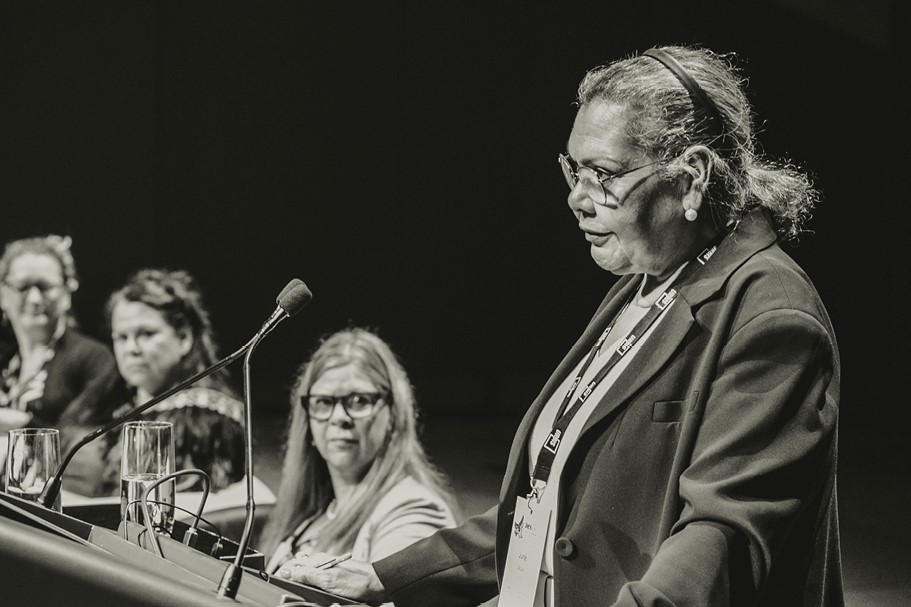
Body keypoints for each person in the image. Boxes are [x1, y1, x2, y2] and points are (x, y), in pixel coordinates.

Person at [281, 45, 842, 607]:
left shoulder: (771, 315)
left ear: (691, 178)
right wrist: (383, 578)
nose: (578, 197)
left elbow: (720, 540)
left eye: (603, 174)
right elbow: (546, 506)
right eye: (574, 169)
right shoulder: (642, 284)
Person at [260, 328, 457, 573]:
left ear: (393, 413)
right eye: (323, 402)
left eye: (359, 401)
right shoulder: (312, 510)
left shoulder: (412, 511)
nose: (340, 417)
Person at [63, 269, 246, 497]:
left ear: (184, 338)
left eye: (146, 334)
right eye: (121, 337)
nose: (131, 349)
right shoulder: (103, 404)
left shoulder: (208, 421)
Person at [0, 235, 116, 431]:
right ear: (2, 294)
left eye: (45, 287)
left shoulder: (92, 358)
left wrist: (23, 424)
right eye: (22, 287)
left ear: (67, 292)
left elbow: (91, 445)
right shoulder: (5, 360)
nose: (34, 299)